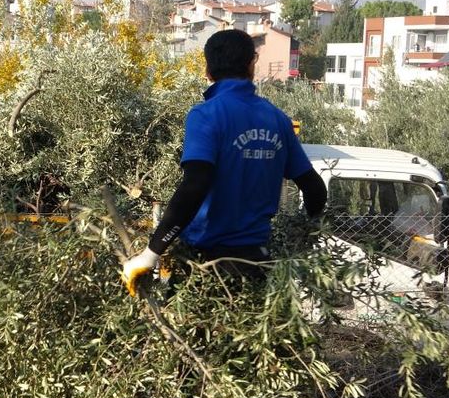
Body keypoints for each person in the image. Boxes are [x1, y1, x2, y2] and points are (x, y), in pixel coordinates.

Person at [122, 29, 327, 296]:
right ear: (251, 65)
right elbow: (315, 189)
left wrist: (151, 254)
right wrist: (302, 242)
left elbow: (196, 185)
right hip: (257, 264)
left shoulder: (206, 115)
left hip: (208, 266)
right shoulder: (277, 119)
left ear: (208, 69)